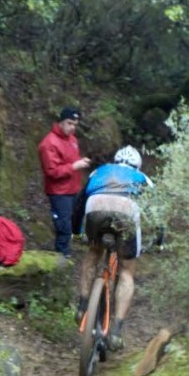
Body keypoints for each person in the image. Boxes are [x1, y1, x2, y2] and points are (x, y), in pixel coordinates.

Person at [72, 145, 153, 351]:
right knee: (126, 270)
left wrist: (76, 231)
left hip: (96, 206)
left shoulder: (98, 171)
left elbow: (80, 203)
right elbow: (156, 212)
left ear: (116, 161)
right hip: (126, 209)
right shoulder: (142, 177)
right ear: (137, 165)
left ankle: (83, 305)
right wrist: (158, 239)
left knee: (93, 253)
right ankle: (116, 331)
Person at [38, 107, 91, 258]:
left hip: (72, 189)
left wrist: (80, 162)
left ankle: (66, 253)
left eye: (75, 124)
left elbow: (70, 161)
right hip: (59, 192)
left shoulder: (72, 139)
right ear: (60, 122)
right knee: (63, 227)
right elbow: (52, 171)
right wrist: (75, 166)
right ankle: (62, 257)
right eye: (69, 123)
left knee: (71, 222)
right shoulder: (49, 143)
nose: (72, 127)